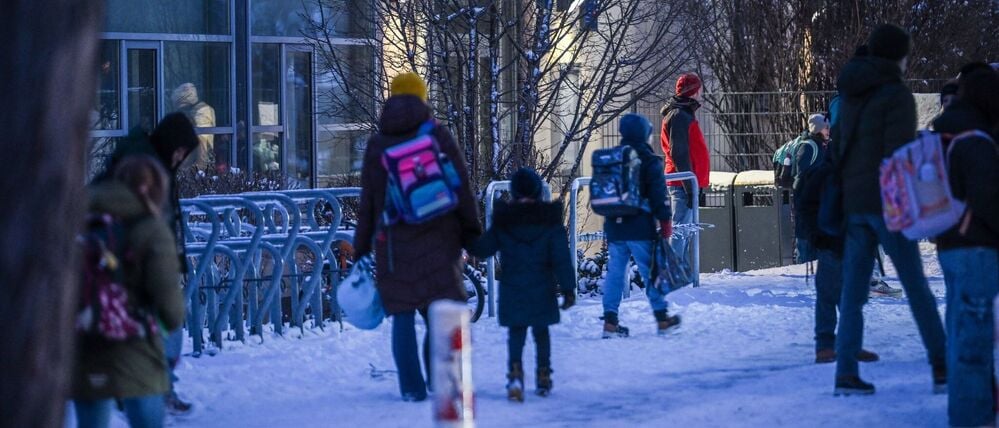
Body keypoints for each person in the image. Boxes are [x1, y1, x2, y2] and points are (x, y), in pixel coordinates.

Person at [828, 24, 946, 396]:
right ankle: (943, 366)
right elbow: (900, 155)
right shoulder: (896, 95)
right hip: (888, 204)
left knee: (853, 294)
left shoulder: (849, 93)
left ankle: (845, 372)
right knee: (916, 287)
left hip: (854, 202)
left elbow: (841, 145)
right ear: (899, 54)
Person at [353, 72, 482, 402]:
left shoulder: (378, 144)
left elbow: (369, 202)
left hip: (394, 244)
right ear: (423, 97)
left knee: (403, 315)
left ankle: (411, 388)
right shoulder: (436, 134)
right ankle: (439, 380)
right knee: (439, 311)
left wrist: (361, 248)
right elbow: (461, 187)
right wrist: (471, 233)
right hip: (440, 237)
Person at [72, 156, 186, 428]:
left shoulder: (76, 221)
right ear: (151, 189)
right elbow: (170, 307)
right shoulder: (151, 229)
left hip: (85, 342)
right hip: (137, 347)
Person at [99, 113, 200, 415]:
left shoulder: (146, 161)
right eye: (180, 149)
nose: (181, 157)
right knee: (165, 327)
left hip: (130, 263)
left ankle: (146, 391)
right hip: (136, 265)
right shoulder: (146, 168)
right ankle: (154, 392)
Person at [469, 168, 576, 402]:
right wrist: (568, 289)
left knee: (516, 334)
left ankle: (515, 376)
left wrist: (466, 234)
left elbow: (482, 249)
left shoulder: (504, 221)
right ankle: (543, 375)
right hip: (542, 287)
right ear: (538, 190)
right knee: (541, 333)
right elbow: (561, 258)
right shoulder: (549, 221)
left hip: (513, 287)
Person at [931, 67, 999, 428]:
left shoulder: (944, 129)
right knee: (974, 341)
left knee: (961, 335)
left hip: (949, 243)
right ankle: (973, 418)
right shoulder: (976, 138)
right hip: (976, 247)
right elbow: (988, 197)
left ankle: (970, 410)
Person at [793, 119, 880, 365]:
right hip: (849, 242)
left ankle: (828, 346)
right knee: (848, 297)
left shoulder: (822, 170)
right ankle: (845, 344)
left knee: (830, 295)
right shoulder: (856, 171)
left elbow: (804, 205)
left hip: (830, 241)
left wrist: (815, 234)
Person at [601, 113, 677, 338]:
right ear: (644, 133)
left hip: (615, 226)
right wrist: (665, 221)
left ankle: (610, 323)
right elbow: (658, 195)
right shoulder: (649, 159)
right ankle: (662, 320)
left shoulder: (612, 157)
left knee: (615, 273)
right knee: (650, 271)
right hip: (640, 227)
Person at [661, 72, 709, 267]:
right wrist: (690, 186)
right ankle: (674, 273)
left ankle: (683, 273)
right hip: (683, 182)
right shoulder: (680, 116)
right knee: (681, 230)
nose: (702, 94)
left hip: (686, 181)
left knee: (685, 230)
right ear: (693, 92)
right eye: (699, 90)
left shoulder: (683, 114)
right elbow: (679, 152)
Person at [172, 83, 216, 170]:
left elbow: (202, 142)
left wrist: (200, 170)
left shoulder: (202, 112)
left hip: (193, 168)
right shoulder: (194, 112)